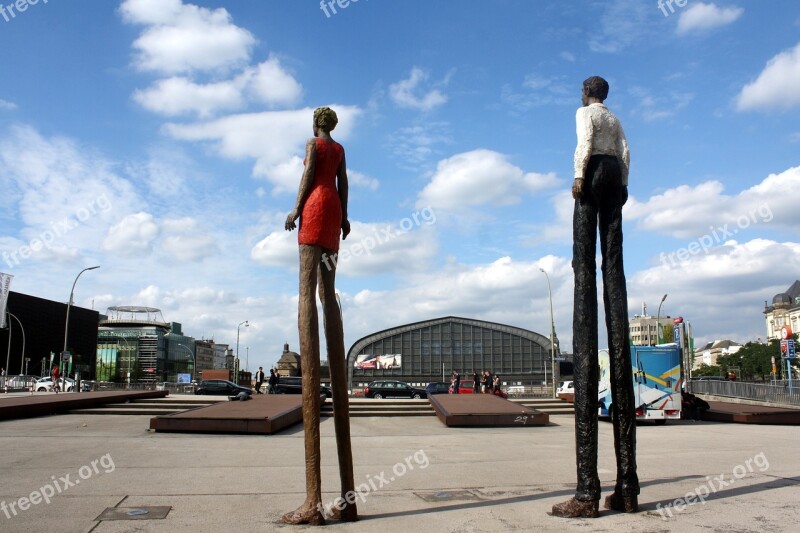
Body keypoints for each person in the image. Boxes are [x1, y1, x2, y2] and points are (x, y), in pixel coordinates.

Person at [552, 76, 639, 519]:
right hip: (615, 179)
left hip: (593, 174)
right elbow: (625, 151)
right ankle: (628, 487)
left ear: (585, 93)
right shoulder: (617, 118)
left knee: (584, 269)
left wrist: (577, 176)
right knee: (614, 271)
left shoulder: (586, 114)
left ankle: (587, 491)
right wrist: (623, 182)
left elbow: (584, 142)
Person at [283, 106, 357, 525]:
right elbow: (342, 183)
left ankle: (313, 503)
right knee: (329, 294)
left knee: (305, 294)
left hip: (314, 208)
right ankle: (347, 502)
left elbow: (309, 176)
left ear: (316, 125)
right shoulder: (342, 149)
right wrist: (345, 216)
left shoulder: (315, 145)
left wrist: (295, 210)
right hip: (333, 213)